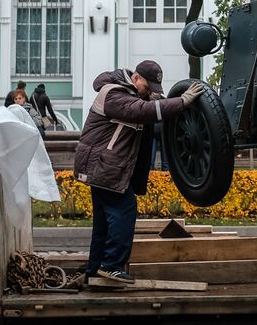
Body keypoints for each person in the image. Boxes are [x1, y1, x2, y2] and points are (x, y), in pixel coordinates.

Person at [74, 60, 203, 285]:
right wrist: (182, 101)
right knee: (124, 210)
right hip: (104, 166)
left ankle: (95, 271)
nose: (149, 93)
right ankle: (112, 266)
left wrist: (173, 102)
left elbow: (152, 103)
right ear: (135, 79)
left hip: (105, 166)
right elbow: (141, 110)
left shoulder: (132, 93)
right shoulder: (113, 94)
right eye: (148, 87)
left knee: (104, 221)